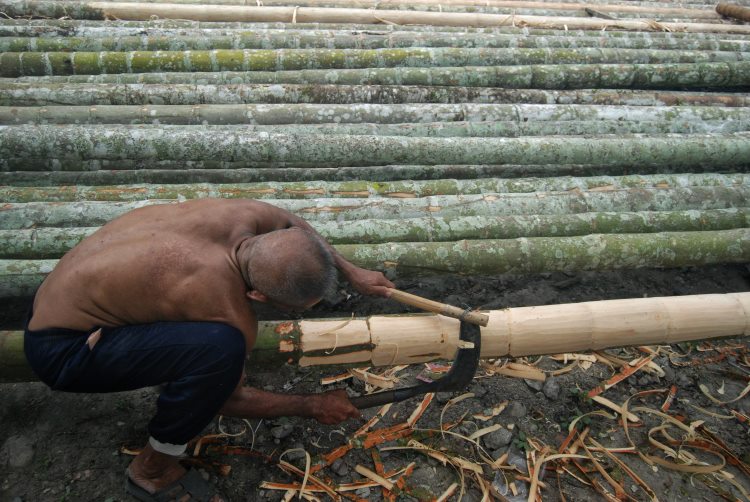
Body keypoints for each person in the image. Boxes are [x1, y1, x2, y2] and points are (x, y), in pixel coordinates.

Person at [23, 198, 395, 502]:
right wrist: (313, 405)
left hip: (54, 295)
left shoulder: (237, 215)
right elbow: (230, 400)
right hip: (62, 350)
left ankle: (170, 370)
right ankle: (151, 472)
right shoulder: (224, 310)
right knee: (219, 353)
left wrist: (351, 271)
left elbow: (287, 220)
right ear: (257, 296)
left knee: (204, 346)